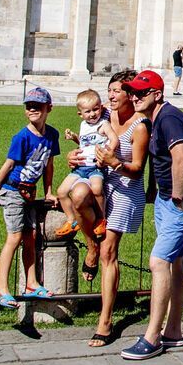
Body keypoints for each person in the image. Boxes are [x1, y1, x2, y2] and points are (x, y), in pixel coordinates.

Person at [122, 72, 183, 359]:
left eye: (141, 93)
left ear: (157, 94)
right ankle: (172, 332)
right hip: (167, 198)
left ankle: (152, 337)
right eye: (132, 92)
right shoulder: (156, 119)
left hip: (182, 201)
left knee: (158, 262)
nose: (134, 97)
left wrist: (178, 197)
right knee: (174, 264)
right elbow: (159, 159)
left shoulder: (169, 119)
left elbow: (182, 159)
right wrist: (155, 190)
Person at [0, 86, 59, 305]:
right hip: (12, 190)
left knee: (30, 238)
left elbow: (49, 164)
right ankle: (0, 289)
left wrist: (49, 191)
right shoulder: (21, 137)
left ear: (48, 108)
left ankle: (31, 283)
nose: (32, 110)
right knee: (13, 238)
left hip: (30, 193)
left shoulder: (52, 135)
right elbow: (8, 165)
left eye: (37, 106)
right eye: (29, 106)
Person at [87, 71, 151, 348]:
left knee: (109, 251)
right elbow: (88, 145)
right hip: (101, 183)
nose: (111, 95)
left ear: (130, 95)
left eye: (117, 91)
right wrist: (75, 155)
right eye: (109, 90)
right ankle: (90, 248)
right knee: (77, 203)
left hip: (126, 189)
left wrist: (114, 162)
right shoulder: (100, 117)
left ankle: (106, 319)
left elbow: (137, 170)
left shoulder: (140, 126)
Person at [52, 89, 113, 276]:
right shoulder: (84, 124)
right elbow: (86, 143)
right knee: (62, 191)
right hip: (81, 168)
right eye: (88, 111)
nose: (93, 114)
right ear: (80, 113)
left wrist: (109, 152)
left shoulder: (104, 122)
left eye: (96, 109)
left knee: (95, 189)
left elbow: (111, 139)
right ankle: (72, 221)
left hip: (95, 167)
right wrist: (74, 140)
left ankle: (100, 220)